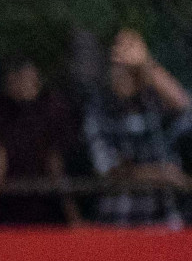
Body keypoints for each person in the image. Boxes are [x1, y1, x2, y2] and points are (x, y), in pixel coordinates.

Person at [82, 29, 191, 227]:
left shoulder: (154, 102)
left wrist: (145, 62)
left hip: (164, 220)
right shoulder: (98, 110)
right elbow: (108, 168)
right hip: (121, 221)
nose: (122, 71)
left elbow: (184, 107)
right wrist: (162, 174)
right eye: (117, 65)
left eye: (128, 67)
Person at [0, 56, 81, 227]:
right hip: (4, 215)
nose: (24, 82)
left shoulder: (53, 107)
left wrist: (73, 216)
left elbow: (56, 164)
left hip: (47, 215)